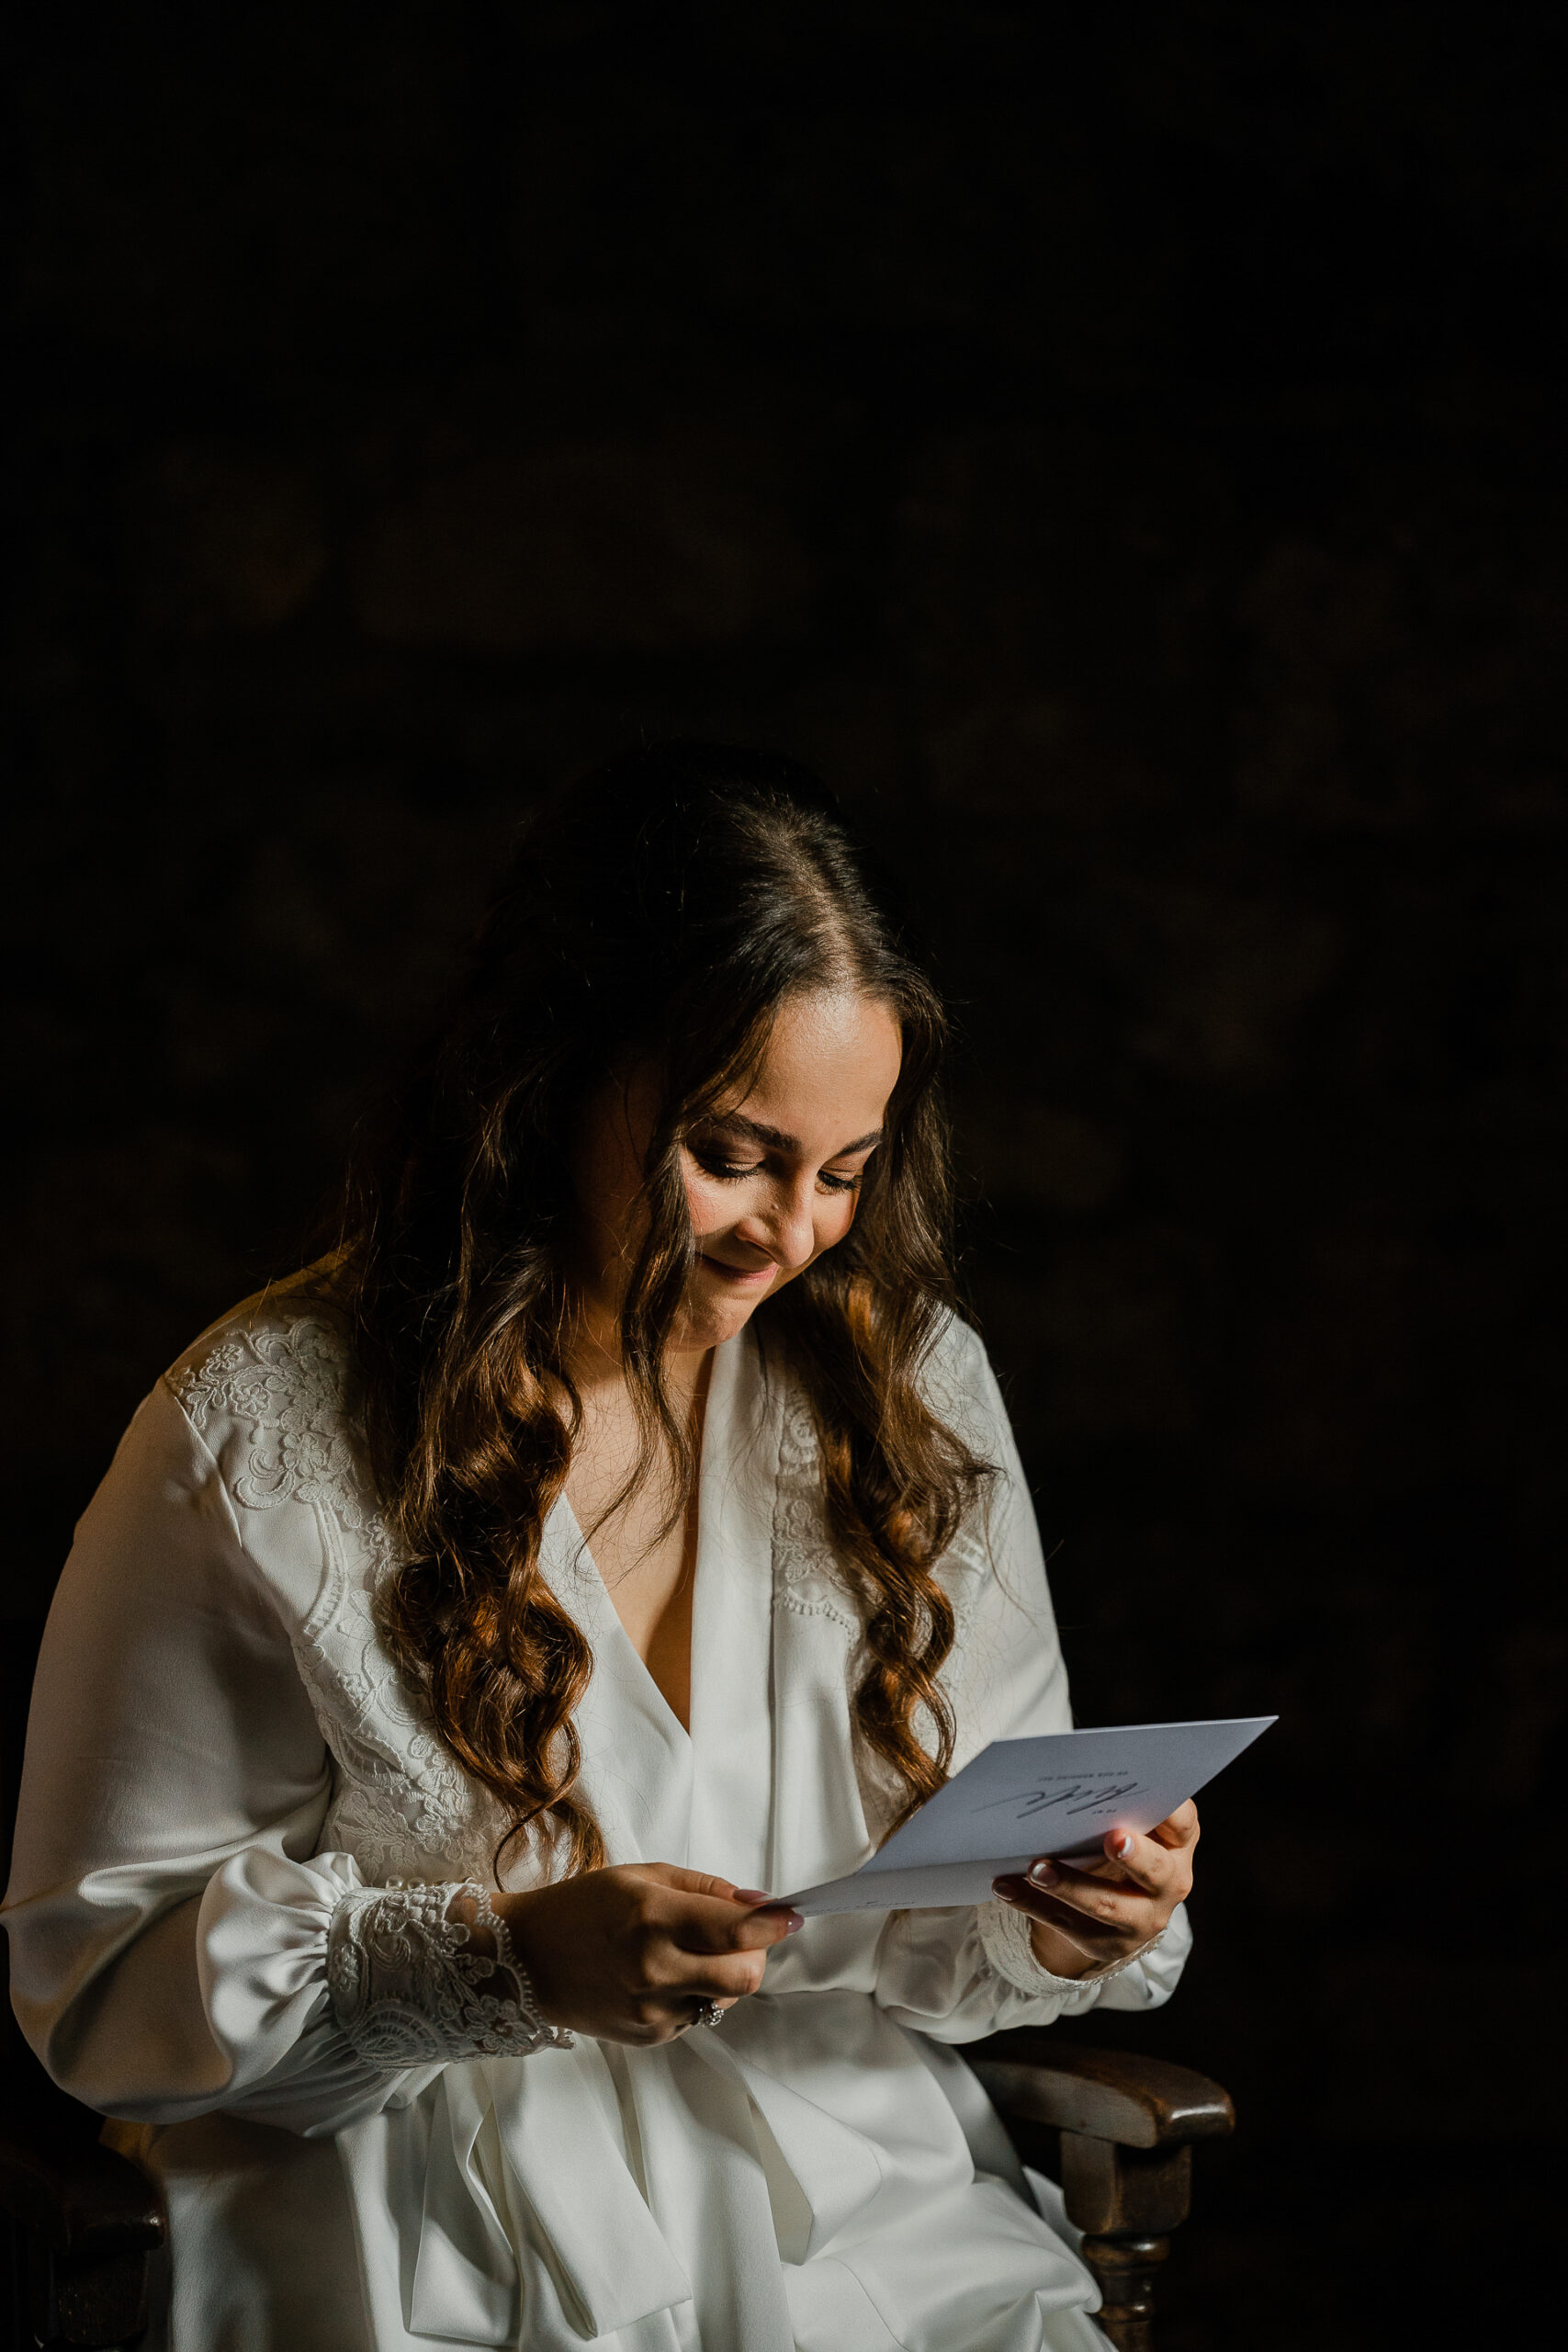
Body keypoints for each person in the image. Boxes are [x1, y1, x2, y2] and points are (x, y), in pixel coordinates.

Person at [5, 744, 1198, 2352]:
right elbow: (101, 1979)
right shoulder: (256, 1431)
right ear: (554, 1077)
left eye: (846, 1173)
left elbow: (953, 1881)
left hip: (849, 2194)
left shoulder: (905, 1384)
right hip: (407, 2212)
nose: (792, 1235)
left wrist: (1065, 1909)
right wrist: (501, 1966)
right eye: (734, 1154)